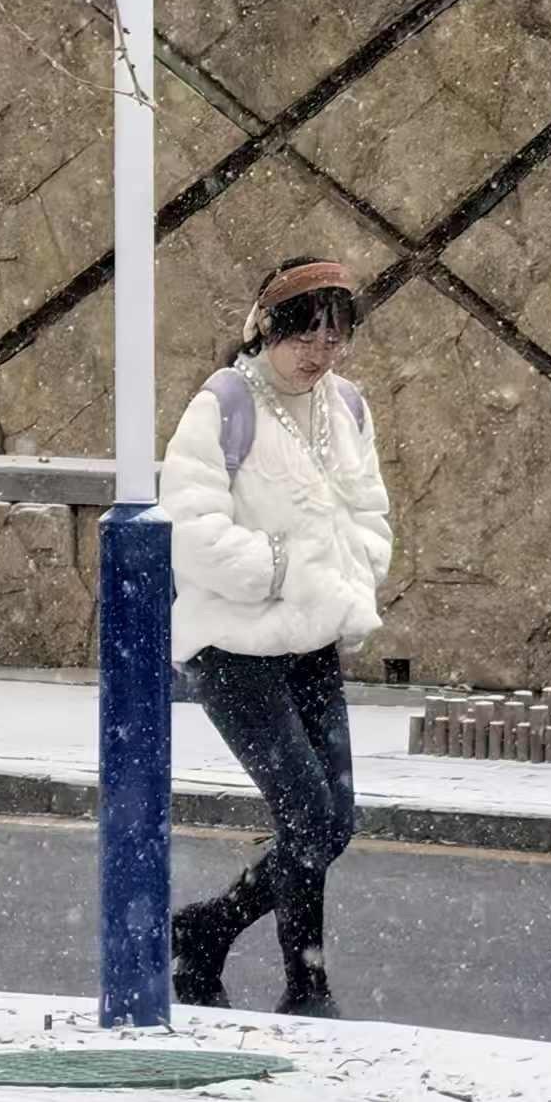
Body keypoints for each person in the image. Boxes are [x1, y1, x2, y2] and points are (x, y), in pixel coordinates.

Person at [159, 256, 393, 1017]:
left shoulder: (347, 407)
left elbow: (368, 510)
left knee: (333, 822)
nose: (318, 355)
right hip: (232, 647)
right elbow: (190, 535)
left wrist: (351, 573)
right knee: (307, 816)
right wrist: (288, 567)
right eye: (304, 337)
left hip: (312, 638)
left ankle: (218, 936)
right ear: (265, 328)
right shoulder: (224, 404)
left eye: (334, 339)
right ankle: (305, 981)